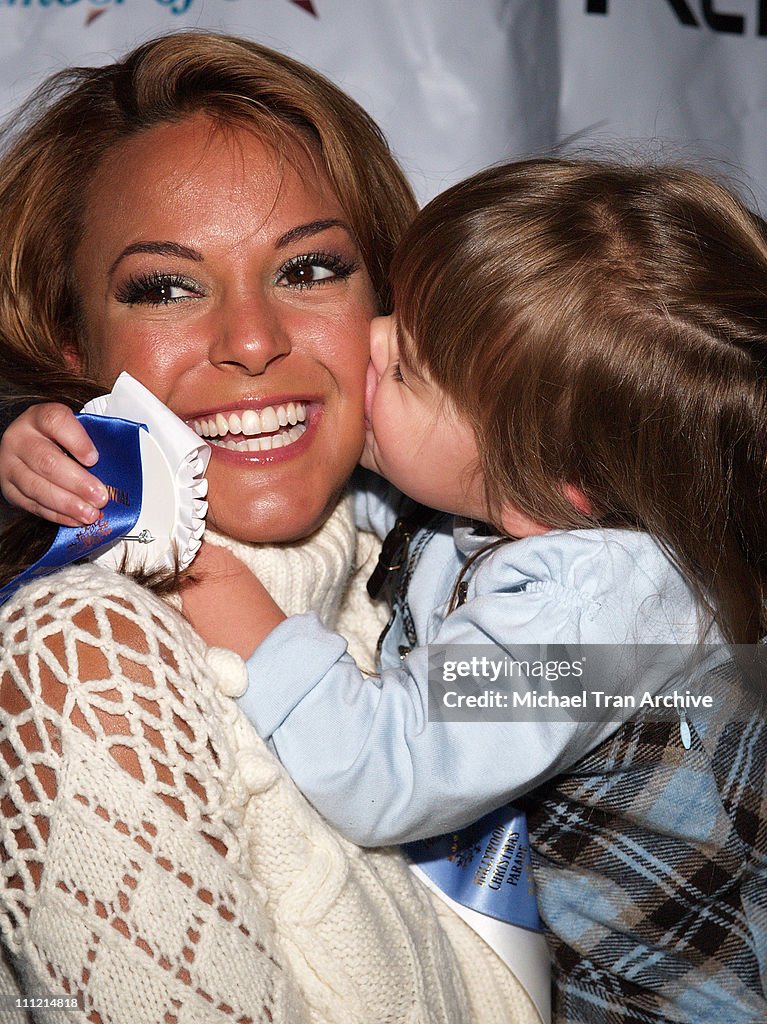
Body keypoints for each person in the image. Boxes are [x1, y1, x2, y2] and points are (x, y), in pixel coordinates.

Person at [8, 156, 767, 1021]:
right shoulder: (496, 503)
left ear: (549, 495)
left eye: (409, 370)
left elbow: (384, 766)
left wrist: (201, 569)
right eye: (398, 311)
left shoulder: (602, 615)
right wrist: (64, 450)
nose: (367, 338)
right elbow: (307, 478)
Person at [0, 32, 539, 1024]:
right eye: (165, 286)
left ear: (389, 301)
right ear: (71, 338)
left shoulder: (454, 578)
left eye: (310, 269)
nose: (253, 340)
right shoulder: (84, 654)